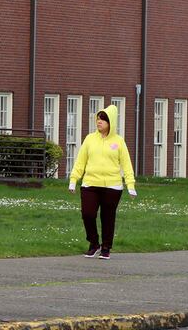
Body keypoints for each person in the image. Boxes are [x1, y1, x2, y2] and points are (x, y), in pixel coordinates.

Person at [68, 105, 136, 260]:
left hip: (112, 186)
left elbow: (126, 164)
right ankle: (93, 243)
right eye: (98, 118)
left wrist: (130, 185)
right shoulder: (89, 139)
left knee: (108, 217)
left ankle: (106, 247)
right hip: (90, 184)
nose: (99, 122)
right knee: (87, 214)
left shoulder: (119, 141)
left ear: (110, 122)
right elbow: (80, 161)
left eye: (103, 119)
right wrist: (73, 180)